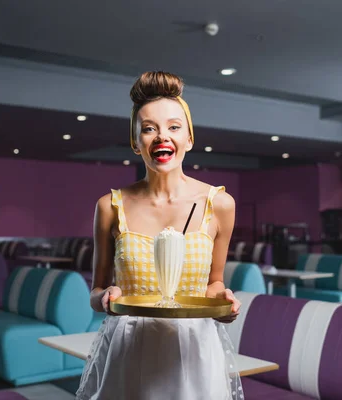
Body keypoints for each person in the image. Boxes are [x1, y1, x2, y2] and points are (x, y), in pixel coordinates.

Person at [76, 71, 243, 400]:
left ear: (189, 139)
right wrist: (106, 296)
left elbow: (215, 283)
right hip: (129, 348)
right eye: (148, 128)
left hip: (196, 349)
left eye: (173, 127)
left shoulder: (220, 204)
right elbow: (95, 292)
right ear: (135, 143)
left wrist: (223, 301)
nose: (161, 136)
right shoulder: (110, 206)